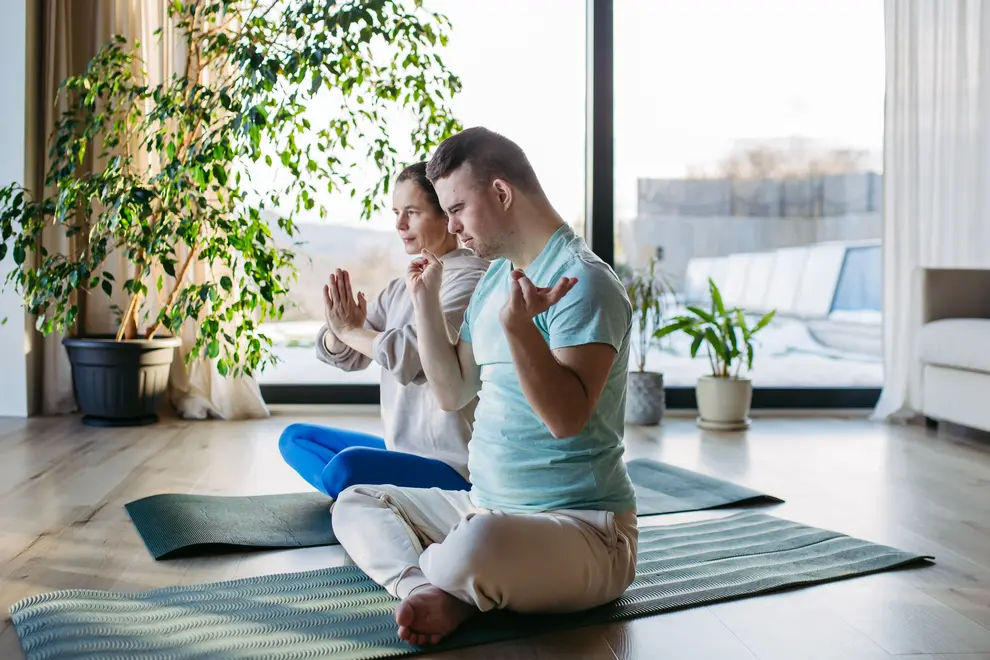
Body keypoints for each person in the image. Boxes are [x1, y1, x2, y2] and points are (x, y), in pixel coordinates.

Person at [332, 127, 638, 645]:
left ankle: (451, 580)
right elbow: (452, 391)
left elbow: (566, 420)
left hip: (585, 530)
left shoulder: (584, 281)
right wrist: (425, 299)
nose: (451, 226)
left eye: (456, 209)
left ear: (500, 193)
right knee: (356, 500)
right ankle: (428, 590)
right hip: (487, 506)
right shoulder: (496, 279)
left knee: (482, 540)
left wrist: (521, 330)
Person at [278, 162, 489, 499]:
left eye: (412, 212)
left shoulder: (472, 279)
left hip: (454, 468)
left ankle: (362, 493)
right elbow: (347, 354)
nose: (400, 225)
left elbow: (411, 355)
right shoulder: (400, 286)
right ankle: (366, 495)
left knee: (347, 467)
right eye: (395, 213)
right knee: (295, 438)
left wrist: (351, 331)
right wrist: (339, 330)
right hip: (402, 452)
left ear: (446, 217)